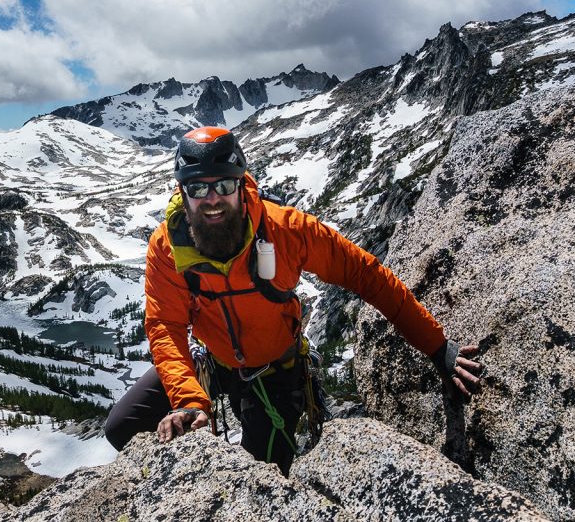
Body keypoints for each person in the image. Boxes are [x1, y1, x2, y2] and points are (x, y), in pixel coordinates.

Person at [103, 126, 481, 475]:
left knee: (259, 477)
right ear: (182, 192)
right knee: (123, 427)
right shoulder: (167, 247)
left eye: (223, 185)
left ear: (241, 183)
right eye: (198, 189)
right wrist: (188, 401)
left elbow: (366, 275)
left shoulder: (286, 230)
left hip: (276, 371)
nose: (213, 199)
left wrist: (437, 346)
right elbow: (165, 326)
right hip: (214, 362)